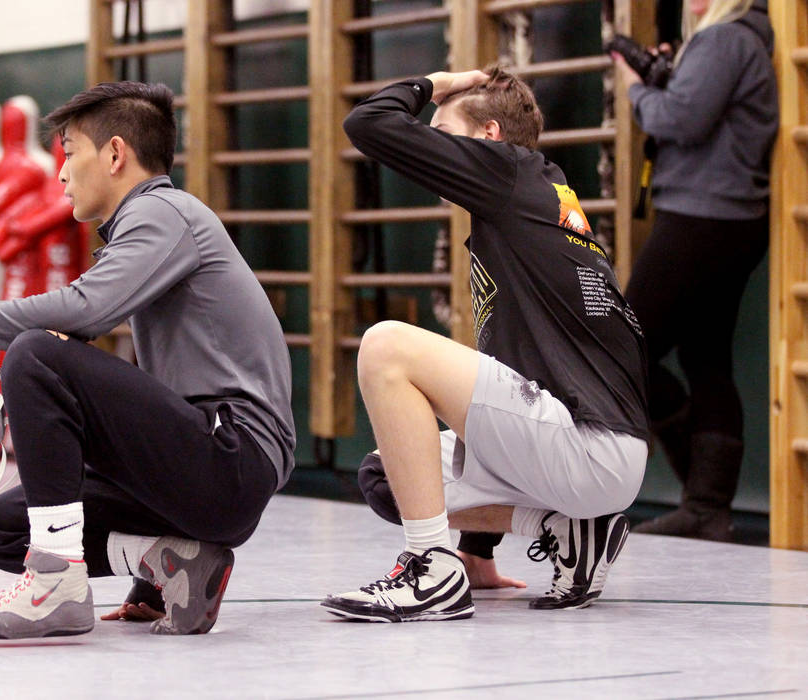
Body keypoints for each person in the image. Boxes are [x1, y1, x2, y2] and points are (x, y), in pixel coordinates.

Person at [0, 81, 296, 638]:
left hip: (233, 459)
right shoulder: (150, 224)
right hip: (202, 471)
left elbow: (88, 308)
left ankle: (53, 585)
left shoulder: (164, 211)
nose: (60, 173)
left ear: (114, 154)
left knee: (37, 351)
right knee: (3, 528)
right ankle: (169, 567)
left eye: (69, 154)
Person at [321, 67, 650, 622]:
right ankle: (568, 531)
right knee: (390, 476)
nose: (431, 141)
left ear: (489, 136)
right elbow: (514, 374)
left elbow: (368, 123)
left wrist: (436, 81)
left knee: (386, 347)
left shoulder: (508, 175)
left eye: (442, 129)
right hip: (575, 446)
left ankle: (430, 571)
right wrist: (479, 552)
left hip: (592, 447)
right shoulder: (531, 199)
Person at [612, 0, 777, 541]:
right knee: (706, 357)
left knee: (623, 345)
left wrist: (636, 85)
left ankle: (701, 497)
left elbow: (679, 118)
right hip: (729, 218)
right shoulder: (738, 39)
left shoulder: (724, 39)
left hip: (702, 215)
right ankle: (706, 508)